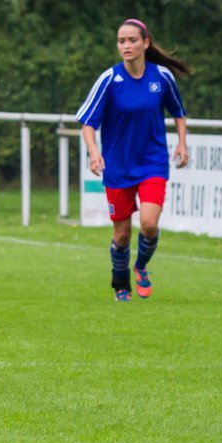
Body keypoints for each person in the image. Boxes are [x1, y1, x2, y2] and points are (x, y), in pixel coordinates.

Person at [77, 18, 188, 301]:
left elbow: (178, 112)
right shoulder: (109, 80)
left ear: (145, 43)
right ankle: (120, 282)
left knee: (149, 224)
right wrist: (94, 152)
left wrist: (182, 144)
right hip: (117, 166)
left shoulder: (161, 77)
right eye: (122, 41)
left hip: (153, 163)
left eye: (132, 40)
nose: (126, 46)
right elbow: (88, 123)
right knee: (123, 235)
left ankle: (141, 266)